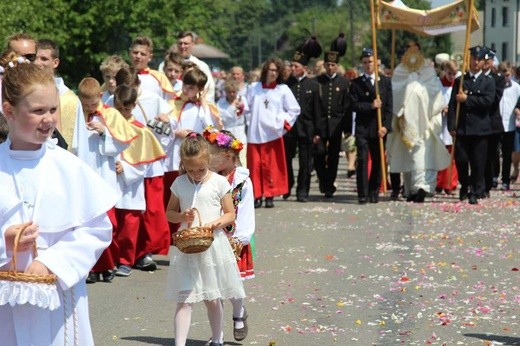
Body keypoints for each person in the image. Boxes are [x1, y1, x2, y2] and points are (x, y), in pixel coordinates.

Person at [0, 57, 117, 345]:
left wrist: (54, 262)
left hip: (58, 295)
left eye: (52, 109)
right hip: (6, 299)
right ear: (9, 111)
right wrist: (5, 242)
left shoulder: (68, 166)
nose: (49, 119)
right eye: (38, 111)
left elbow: (96, 229)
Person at [165, 133, 246, 346]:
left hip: (212, 243)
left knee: (212, 297)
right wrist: (183, 216)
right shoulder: (180, 182)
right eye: (190, 170)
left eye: (200, 169)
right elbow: (169, 213)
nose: (196, 174)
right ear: (183, 165)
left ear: (208, 161)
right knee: (184, 298)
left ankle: (217, 338)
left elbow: (230, 214)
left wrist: (215, 223)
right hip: (187, 245)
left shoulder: (219, 182)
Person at [76, 77, 139, 283]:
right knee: (87, 223)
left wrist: (105, 134)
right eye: (85, 105)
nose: (89, 108)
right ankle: (92, 268)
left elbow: (123, 143)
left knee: (108, 223)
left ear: (100, 97)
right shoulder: (76, 114)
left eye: (93, 104)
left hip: (105, 174)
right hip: (84, 174)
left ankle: (108, 263)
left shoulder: (110, 114)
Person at [203, 126, 254, 342]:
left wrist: (240, 239)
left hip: (234, 240)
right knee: (214, 289)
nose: (206, 157)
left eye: (210, 153)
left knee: (233, 286)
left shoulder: (242, 180)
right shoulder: (207, 177)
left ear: (226, 156)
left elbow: (246, 211)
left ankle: (239, 312)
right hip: (214, 239)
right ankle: (218, 336)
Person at [112, 85, 166, 277]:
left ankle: (126, 261)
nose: (122, 113)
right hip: (111, 182)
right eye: (119, 109)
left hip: (131, 186)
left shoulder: (141, 131)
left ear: (133, 106)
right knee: (113, 225)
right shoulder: (109, 125)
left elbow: (143, 164)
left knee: (129, 225)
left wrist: (125, 168)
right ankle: (113, 259)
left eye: (126, 109)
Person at [387, 42, 450, 203]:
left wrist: (417, 89)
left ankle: (421, 187)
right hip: (405, 120)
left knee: (422, 155)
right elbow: (394, 92)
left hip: (426, 121)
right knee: (409, 155)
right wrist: (408, 89)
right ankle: (409, 189)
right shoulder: (399, 71)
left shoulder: (428, 71)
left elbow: (436, 94)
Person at [245, 57, 300, 208]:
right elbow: (246, 106)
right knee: (255, 167)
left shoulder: (283, 90)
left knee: (272, 167)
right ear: (265, 71)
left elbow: (294, 109)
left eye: (277, 70)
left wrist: (282, 121)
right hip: (255, 134)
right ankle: (257, 196)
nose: (274, 73)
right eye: (271, 70)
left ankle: (270, 195)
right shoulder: (254, 88)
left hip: (273, 133)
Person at [448, 46, 496, 204]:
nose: (475, 62)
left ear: (483, 62)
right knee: (461, 159)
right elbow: (453, 105)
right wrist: (451, 126)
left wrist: (467, 100)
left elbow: (488, 102)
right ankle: (465, 185)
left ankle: (475, 190)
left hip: (480, 128)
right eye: (473, 58)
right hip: (462, 128)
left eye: (479, 59)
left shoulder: (489, 81)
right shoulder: (461, 81)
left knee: (478, 162)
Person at [350, 47, 393, 204]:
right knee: (362, 159)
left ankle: (374, 190)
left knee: (377, 160)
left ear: (377, 62)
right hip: (363, 127)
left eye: (371, 62)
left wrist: (386, 127)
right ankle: (363, 192)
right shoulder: (356, 83)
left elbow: (389, 107)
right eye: (365, 62)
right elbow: (353, 105)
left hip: (379, 128)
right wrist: (371, 105)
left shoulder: (385, 82)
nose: (368, 65)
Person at [284, 44, 324, 202]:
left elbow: (317, 111)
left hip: (307, 129)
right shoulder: (286, 85)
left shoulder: (313, 86)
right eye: (291, 65)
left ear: (305, 67)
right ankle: (288, 185)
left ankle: (302, 191)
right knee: (287, 160)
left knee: (305, 162)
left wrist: (318, 132)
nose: (293, 68)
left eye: (296, 66)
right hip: (289, 129)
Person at [314, 39, 351, 198]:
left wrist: (347, 128)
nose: (330, 67)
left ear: (337, 66)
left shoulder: (343, 82)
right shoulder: (318, 82)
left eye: (333, 65)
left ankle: (329, 184)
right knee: (319, 154)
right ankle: (323, 180)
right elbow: (314, 106)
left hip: (336, 125)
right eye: (328, 65)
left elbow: (346, 106)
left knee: (334, 156)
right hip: (321, 124)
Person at [35, 38, 84, 151]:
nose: (37, 63)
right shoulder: (23, 93)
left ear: (55, 62)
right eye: (35, 58)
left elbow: (81, 147)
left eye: (44, 59)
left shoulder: (70, 100)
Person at [482, 48, 506, 196]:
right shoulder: (472, 77)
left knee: (490, 156)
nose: (485, 63)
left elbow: (494, 99)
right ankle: (479, 183)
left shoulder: (498, 78)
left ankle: (487, 183)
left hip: (492, 123)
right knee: (478, 156)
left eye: (488, 60)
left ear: (492, 62)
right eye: (482, 60)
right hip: (477, 123)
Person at [436, 59, 460, 195]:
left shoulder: (458, 84)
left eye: (454, 74)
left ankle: (450, 184)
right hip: (440, 123)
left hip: (451, 124)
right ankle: (439, 182)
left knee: (452, 156)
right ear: (445, 71)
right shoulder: (437, 84)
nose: (452, 76)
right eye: (450, 73)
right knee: (440, 154)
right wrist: (441, 108)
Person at [496, 61, 520, 190]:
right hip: (496, 124)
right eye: (502, 75)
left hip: (510, 125)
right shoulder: (495, 85)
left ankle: (505, 180)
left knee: (507, 154)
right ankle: (494, 176)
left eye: (507, 74)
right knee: (494, 152)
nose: (505, 77)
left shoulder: (516, 87)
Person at [174, 31, 216, 103]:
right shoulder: (168, 64)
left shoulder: (201, 66)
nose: (182, 46)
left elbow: (209, 89)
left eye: (186, 44)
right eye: (180, 43)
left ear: (192, 44)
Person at [129, 35, 174, 100]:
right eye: (135, 53)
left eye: (143, 54)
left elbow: (170, 103)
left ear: (150, 57)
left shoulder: (160, 78)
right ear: (130, 53)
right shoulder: (122, 75)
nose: (138, 56)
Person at [217, 79, 248, 165]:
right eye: (229, 92)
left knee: (242, 162)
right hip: (227, 136)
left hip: (241, 135)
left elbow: (248, 113)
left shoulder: (242, 100)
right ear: (226, 92)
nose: (232, 94)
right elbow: (220, 119)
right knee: (229, 163)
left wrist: (241, 107)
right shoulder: (220, 103)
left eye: (234, 92)